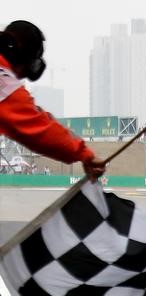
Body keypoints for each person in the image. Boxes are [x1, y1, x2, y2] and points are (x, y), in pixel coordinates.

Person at [0, 21, 105, 181]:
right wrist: (84, 153)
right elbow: (40, 128)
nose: (20, 78)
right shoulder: (4, 83)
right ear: (21, 57)